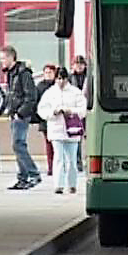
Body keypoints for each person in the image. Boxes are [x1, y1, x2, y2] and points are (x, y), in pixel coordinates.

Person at [37, 67, 86, 195]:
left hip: (72, 130)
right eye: (58, 78)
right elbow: (41, 110)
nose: (61, 81)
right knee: (58, 158)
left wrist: (71, 112)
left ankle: (72, 184)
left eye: (63, 78)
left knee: (71, 159)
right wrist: (53, 113)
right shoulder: (50, 93)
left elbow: (82, 109)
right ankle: (58, 185)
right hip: (55, 129)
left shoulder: (75, 92)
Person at [0, 45, 40, 190]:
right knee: (17, 145)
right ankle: (23, 177)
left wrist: (21, 112)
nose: (2, 62)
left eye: (3, 58)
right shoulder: (11, 73)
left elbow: (31, 95)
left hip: (21, 115)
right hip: (14, 113)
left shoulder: (23, 73)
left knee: (19, 144)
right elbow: (11, 94)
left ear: (11, 57)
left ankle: (32, 173)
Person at [34, 64, 56, 176]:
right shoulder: (40, 86)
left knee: (57, 144)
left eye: (50, 72)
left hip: (57, 119)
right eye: (46, 72)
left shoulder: (57, 85)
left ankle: (58, 166)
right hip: (45, 119)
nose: (48, 74)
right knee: (48, 144)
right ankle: (51, 166)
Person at [70, 56, 87, 173]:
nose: (79, 66)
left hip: (88, 109)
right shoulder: (71, 78)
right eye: (76, 64)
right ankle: (77, 162)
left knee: (89, 137)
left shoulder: (89, 77)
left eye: (81, 64)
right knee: (76, 137)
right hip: (75, 110)